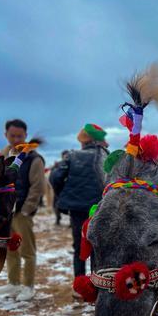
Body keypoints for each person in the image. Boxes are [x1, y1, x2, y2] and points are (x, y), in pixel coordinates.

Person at [50, 124, 109, 299]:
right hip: (101, 208)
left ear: (84, 141)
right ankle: (101, 285)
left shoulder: (72, 156)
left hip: (77, 209)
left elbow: (55, 177)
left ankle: (80, 286)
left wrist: (63, 195)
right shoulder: (106, 156)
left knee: (79, 247)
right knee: (100, 247)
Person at [0, 119, 45, 301]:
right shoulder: (3, 156)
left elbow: (38, 187)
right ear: (6, 135)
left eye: (20, 135)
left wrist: (26, 210)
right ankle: (13, 283)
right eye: (12, 135)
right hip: (5, 212)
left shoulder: (34, 158)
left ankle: (28, 286)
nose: (16, 139)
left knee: (27, 250)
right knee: (10, 248)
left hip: (22, 213)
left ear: (26, 135)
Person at [50, 150, 70, 225]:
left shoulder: (71, 163)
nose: (65, 157)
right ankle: (58, 219)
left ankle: (71, 222)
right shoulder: (57, 164)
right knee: (56, 205)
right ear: (62, 156)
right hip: (59, 189)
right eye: (64, 155)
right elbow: (53, 176)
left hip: (67, 189)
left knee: (70, 206)